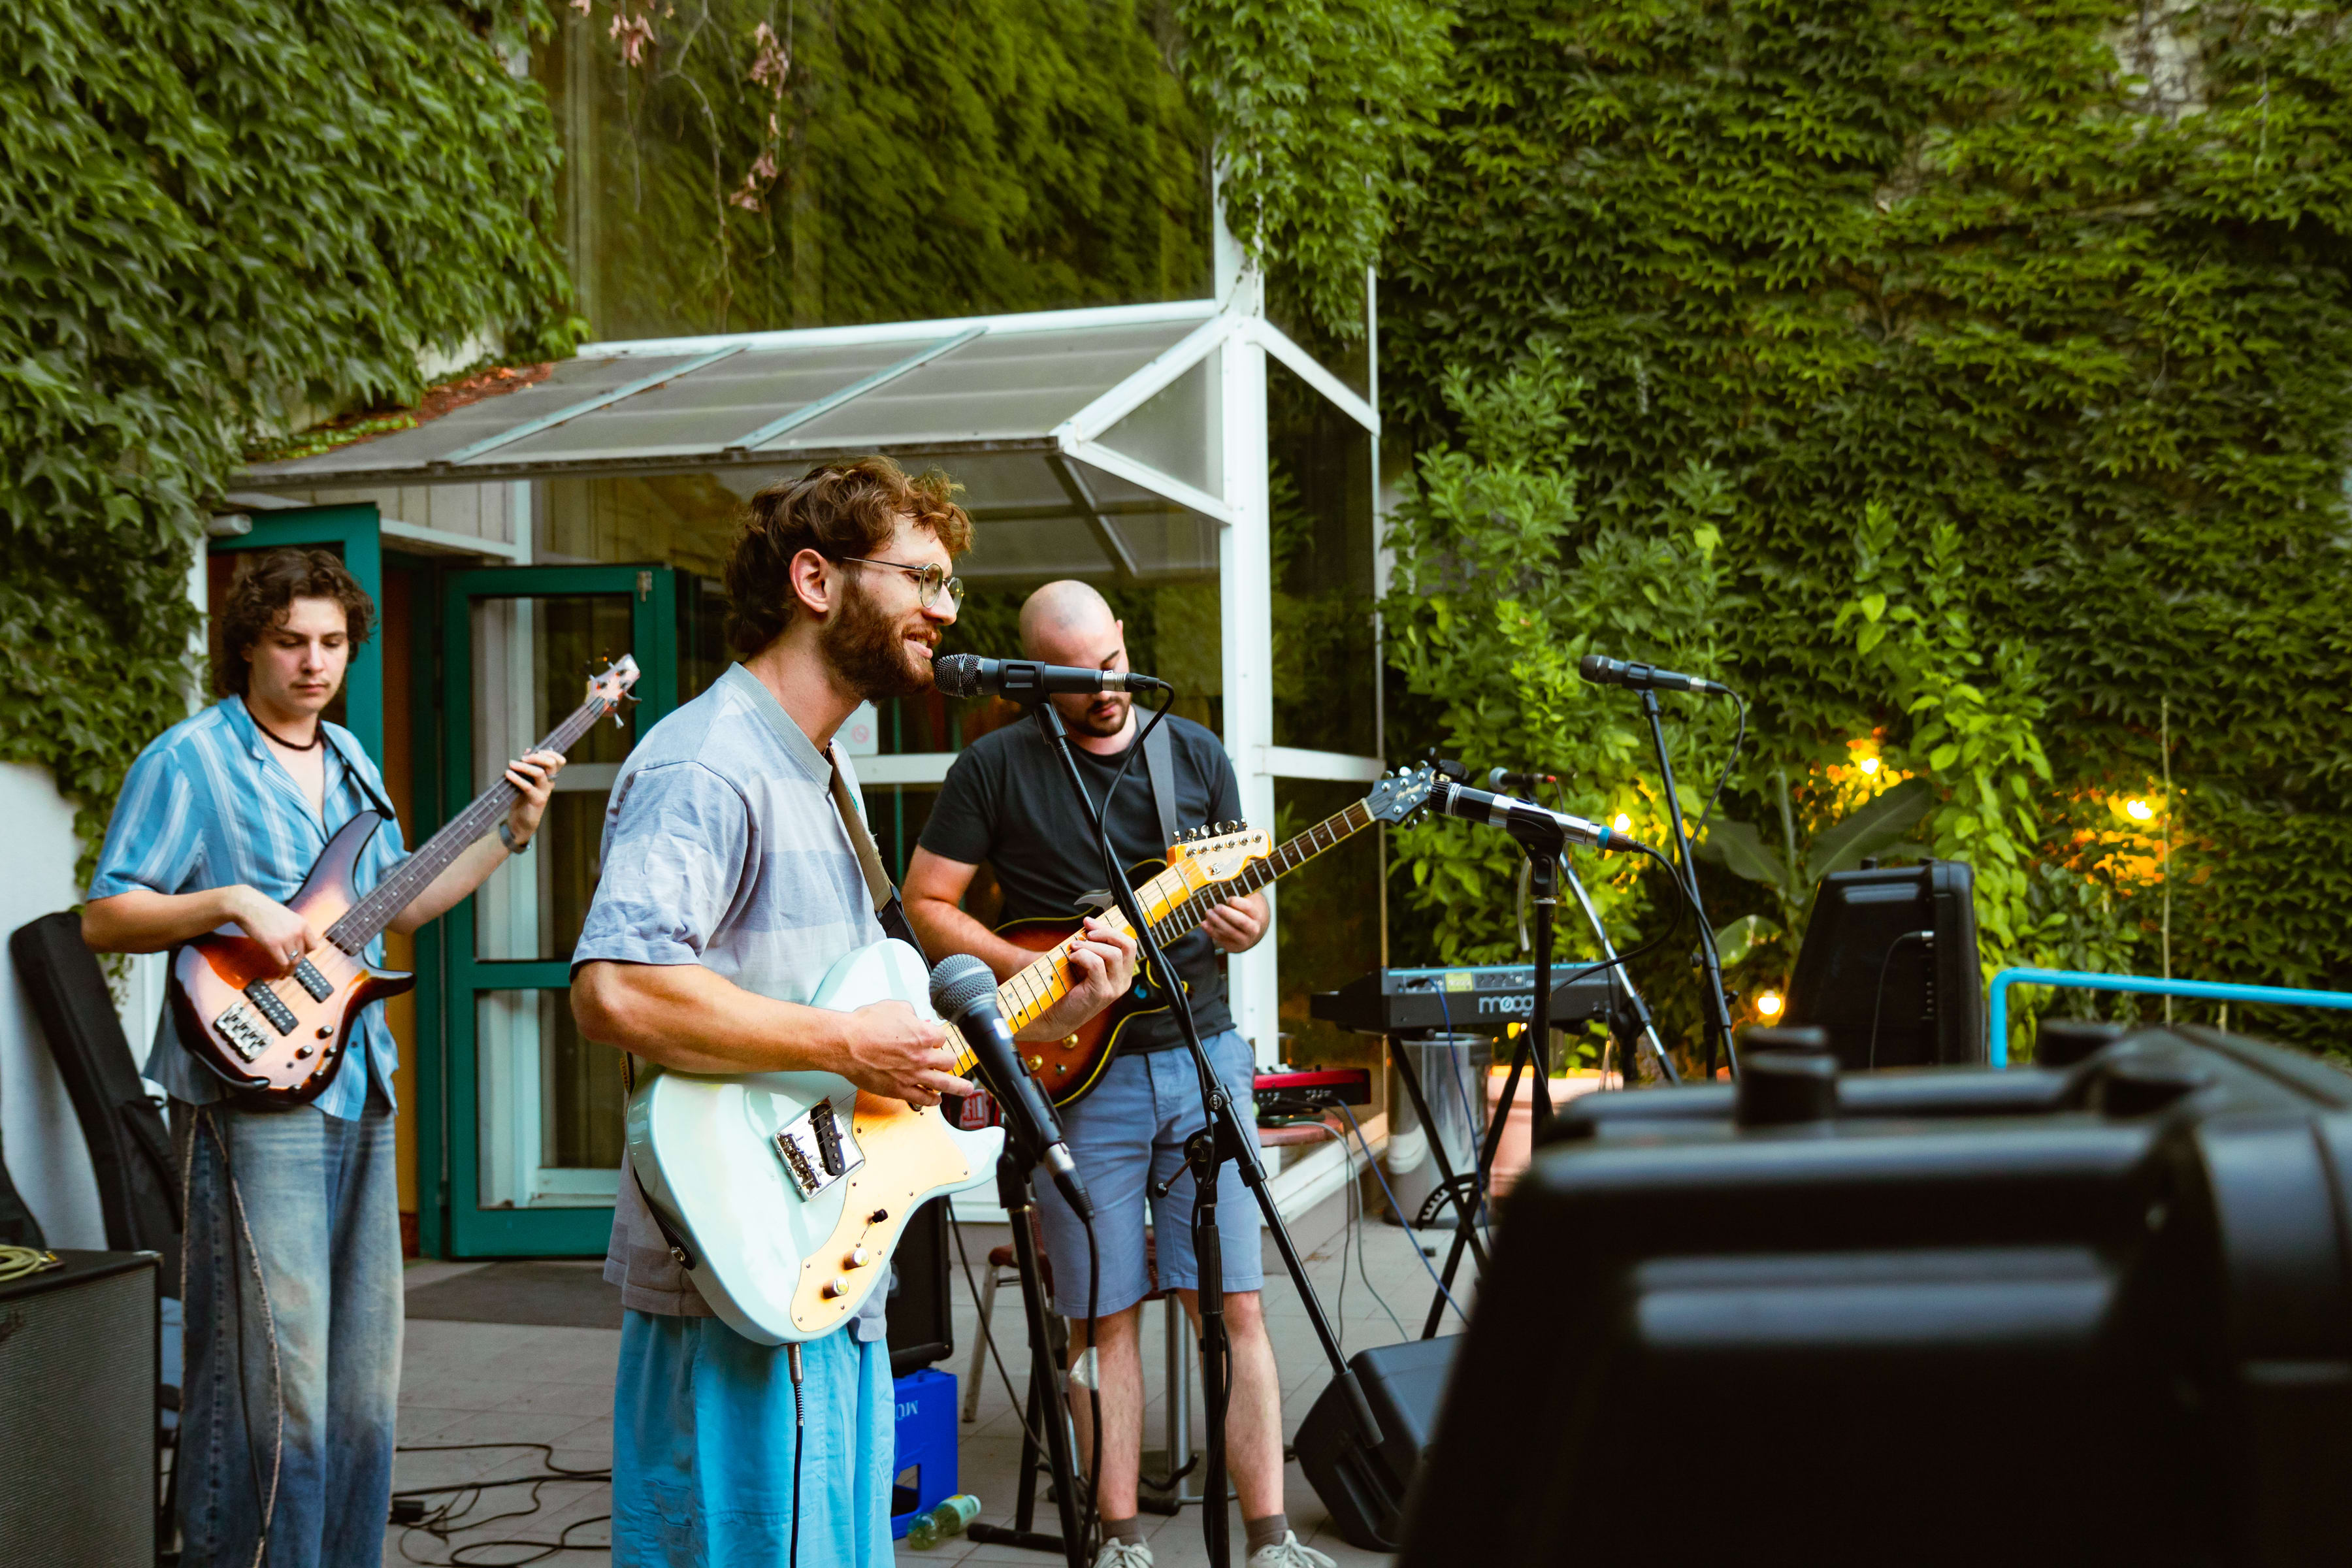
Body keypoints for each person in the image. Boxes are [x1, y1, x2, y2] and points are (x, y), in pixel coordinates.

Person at [568, 459, 1138, 1565]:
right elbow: (617, 989)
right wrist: (844, 1043)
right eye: (921, 576)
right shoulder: (707, 762)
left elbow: (879, 1029)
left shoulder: (824, 772)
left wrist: (1061, 1010)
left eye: (952, 586)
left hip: (824, 1242)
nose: (944, 608)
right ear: (818, 580)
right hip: (734, 1261)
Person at [82, 547, 563, 1567]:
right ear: (249, 644)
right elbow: (105, 916)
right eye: (292, 641)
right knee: (270, 1373)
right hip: (248, 1090)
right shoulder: (190, 759)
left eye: (333, 643)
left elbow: (399, 905)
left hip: (355, 1079)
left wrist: (510, 833)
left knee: (360, 1379)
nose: (314, 662)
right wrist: (226, 902)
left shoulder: (349, 759)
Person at [904, 580, 1330, 1568]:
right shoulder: (994, 768)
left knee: (1235, 1304)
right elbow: (927, 901)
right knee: (1105, 1311)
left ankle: (1269, 1538)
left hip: (1201, 1054)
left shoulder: (1194, 754)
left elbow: (1248, 901)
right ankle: (1122, 1537)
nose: (1104, 689)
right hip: (1075, 1073)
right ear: (1034, 682)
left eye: (1110, 664)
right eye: (1076, 677)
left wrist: (1248, 919)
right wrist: (1040, 972)